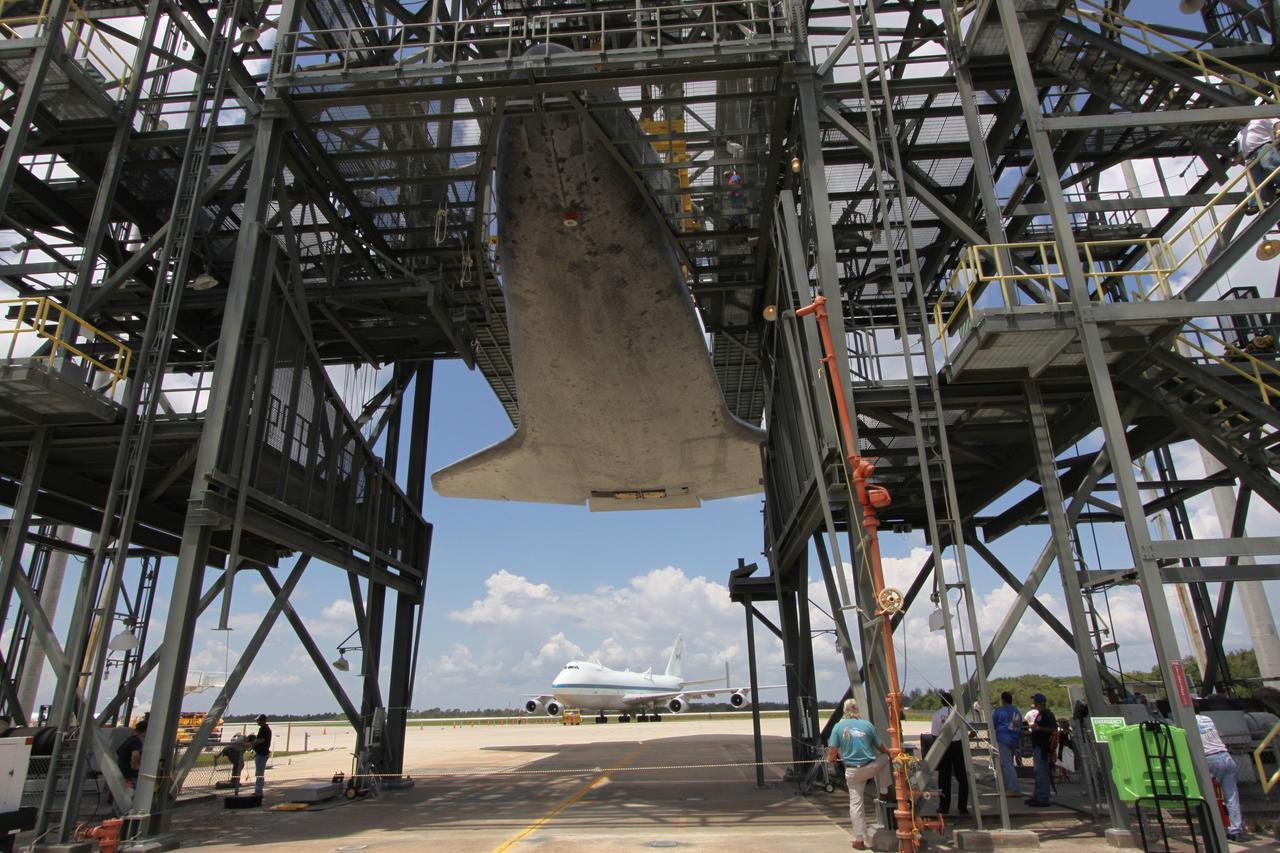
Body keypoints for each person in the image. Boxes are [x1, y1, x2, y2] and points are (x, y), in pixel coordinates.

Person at [827, 697, 893, 851]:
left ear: (844, 711)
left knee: (856, 805)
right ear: (857, 710)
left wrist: (832, 758)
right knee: (884, 758)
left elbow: (832, 751)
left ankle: (859, 840)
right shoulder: (867, 725)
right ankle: (884, 790)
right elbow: (880, 746)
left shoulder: (838, 727)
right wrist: (890, 752)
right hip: (869, 766)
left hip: (852, 771)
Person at [1196, 713, 1244, 841]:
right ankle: (1235, 830)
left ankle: (1214, 827)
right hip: (1225, 756)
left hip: (1209, 758)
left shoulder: (1188, 721)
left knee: (1209, 795)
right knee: (1231, 796)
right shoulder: (1207, 719)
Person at [930, 691, 970, 815]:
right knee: (962, 777)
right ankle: (962, 807)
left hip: (944, 745)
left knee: (944, 777)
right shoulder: (958, 713)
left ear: (941, 701)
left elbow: (934, 735)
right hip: (958, 744)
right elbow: (971, 727)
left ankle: (944, 807)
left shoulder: (937, 715)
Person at [1233, 117, 1280, 214]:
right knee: (1253, 182)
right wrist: (1237, 160)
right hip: (1250, 157)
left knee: (1269, 165)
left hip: (1263, 147)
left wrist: (1278, 130)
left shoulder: (1258, 119)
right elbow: (1241, 150)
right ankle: (1255, 203)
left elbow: (1275, 122)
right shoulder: (1240, 134)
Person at [990, 691, 1024, 797]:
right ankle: (1008, 786)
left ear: (1003, 700)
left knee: (1006, 764)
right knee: (1008, 763)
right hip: (1013, 739)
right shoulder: (1016, 711)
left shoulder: (999, 711)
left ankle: (1013, 788)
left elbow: (993, 724)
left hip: (1002, 738)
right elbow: (1016, 725)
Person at [1026, 693, 1056, 807]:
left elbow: (1052, 729)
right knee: (1038, 772)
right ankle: (1038, 795)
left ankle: (1043, 797)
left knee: (1042, 772)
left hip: (1043, 747)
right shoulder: (1040, 714)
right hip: (1038, 746)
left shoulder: (1047, 714)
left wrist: (1038, 728)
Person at [115, 718, 147, 789]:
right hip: (131, 775)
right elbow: (135, 755)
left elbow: (118, 753)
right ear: (144, 731)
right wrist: (135, 767)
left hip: (122, 773)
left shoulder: (128, 740)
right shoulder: (136, 741)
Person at [250, 714, 272, 797]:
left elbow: (261, 740)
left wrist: (251, 743)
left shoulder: (264, 729)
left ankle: (258, 791)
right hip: (261, 753)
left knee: (259, 773)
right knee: (259, 773)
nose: (257, 721)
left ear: (262, 720)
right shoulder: (264, 729)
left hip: (262, 753)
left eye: (258, 720)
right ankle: (258, 790)